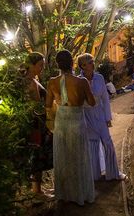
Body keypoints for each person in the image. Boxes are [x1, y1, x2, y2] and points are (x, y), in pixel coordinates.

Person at [46, 50, 95, 205]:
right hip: (77, 121)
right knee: (79, 157)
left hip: (61, 122)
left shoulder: (52, 82)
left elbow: (47, 105)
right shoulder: (82, 82)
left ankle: (64, 193)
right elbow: (92, 102)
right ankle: (80, 194)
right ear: (72, 63)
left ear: (57, 65)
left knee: (64, 157)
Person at [77, 53, 126, 182]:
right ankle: (95, 175)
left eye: (92, 61)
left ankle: (113, 172)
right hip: (86, 115)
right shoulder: (78, 81)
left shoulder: (99, 78)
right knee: (92, 144)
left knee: (107, 141)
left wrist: (108, 117)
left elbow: (105, 98)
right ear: (83, 66)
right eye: (90, 62)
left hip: (99, 112)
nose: (93, 64)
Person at [20, 52, 53, 195]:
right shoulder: (30, 82)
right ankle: (37, 191)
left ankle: (37, 189)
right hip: (35, 124)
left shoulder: (33, 79)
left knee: (38, 155)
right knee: (37, 156)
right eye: (40, 65)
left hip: (37, 123)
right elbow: (35, 106)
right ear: (31, 65)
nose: (42, 68)